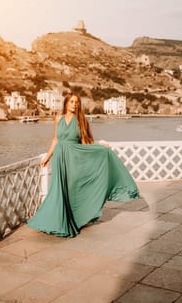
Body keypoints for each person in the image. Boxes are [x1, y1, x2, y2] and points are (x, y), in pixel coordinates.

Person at [27, 93, 139, 237]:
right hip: (59, 158)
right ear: (66, 103)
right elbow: (55, 139)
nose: (74, 104)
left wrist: (100, 147)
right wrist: (48, 156)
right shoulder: (58, 119)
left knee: (72, 188)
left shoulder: (81, 121)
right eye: (72, 101)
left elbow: (86, 142)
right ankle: (54, 220)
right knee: (58, 189)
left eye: (77, 102)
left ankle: (74, 218)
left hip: (74, 158)